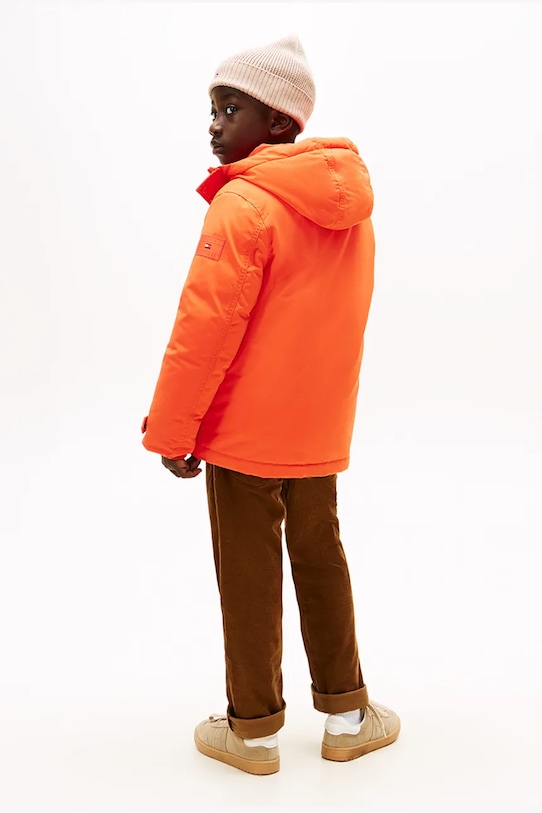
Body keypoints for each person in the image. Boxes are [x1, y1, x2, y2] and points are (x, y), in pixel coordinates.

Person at [141, 35, 400, 775]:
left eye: (231, 109)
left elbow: (203, 329)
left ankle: (251, 731)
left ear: (281, 122)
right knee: (322, 556)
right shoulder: (352, 211)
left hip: (241, 433)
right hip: (317, 427)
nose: (214, 125)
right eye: (213, 109)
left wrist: (173, 430)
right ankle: (348, 715)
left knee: (249, 572)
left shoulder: (244, 203)